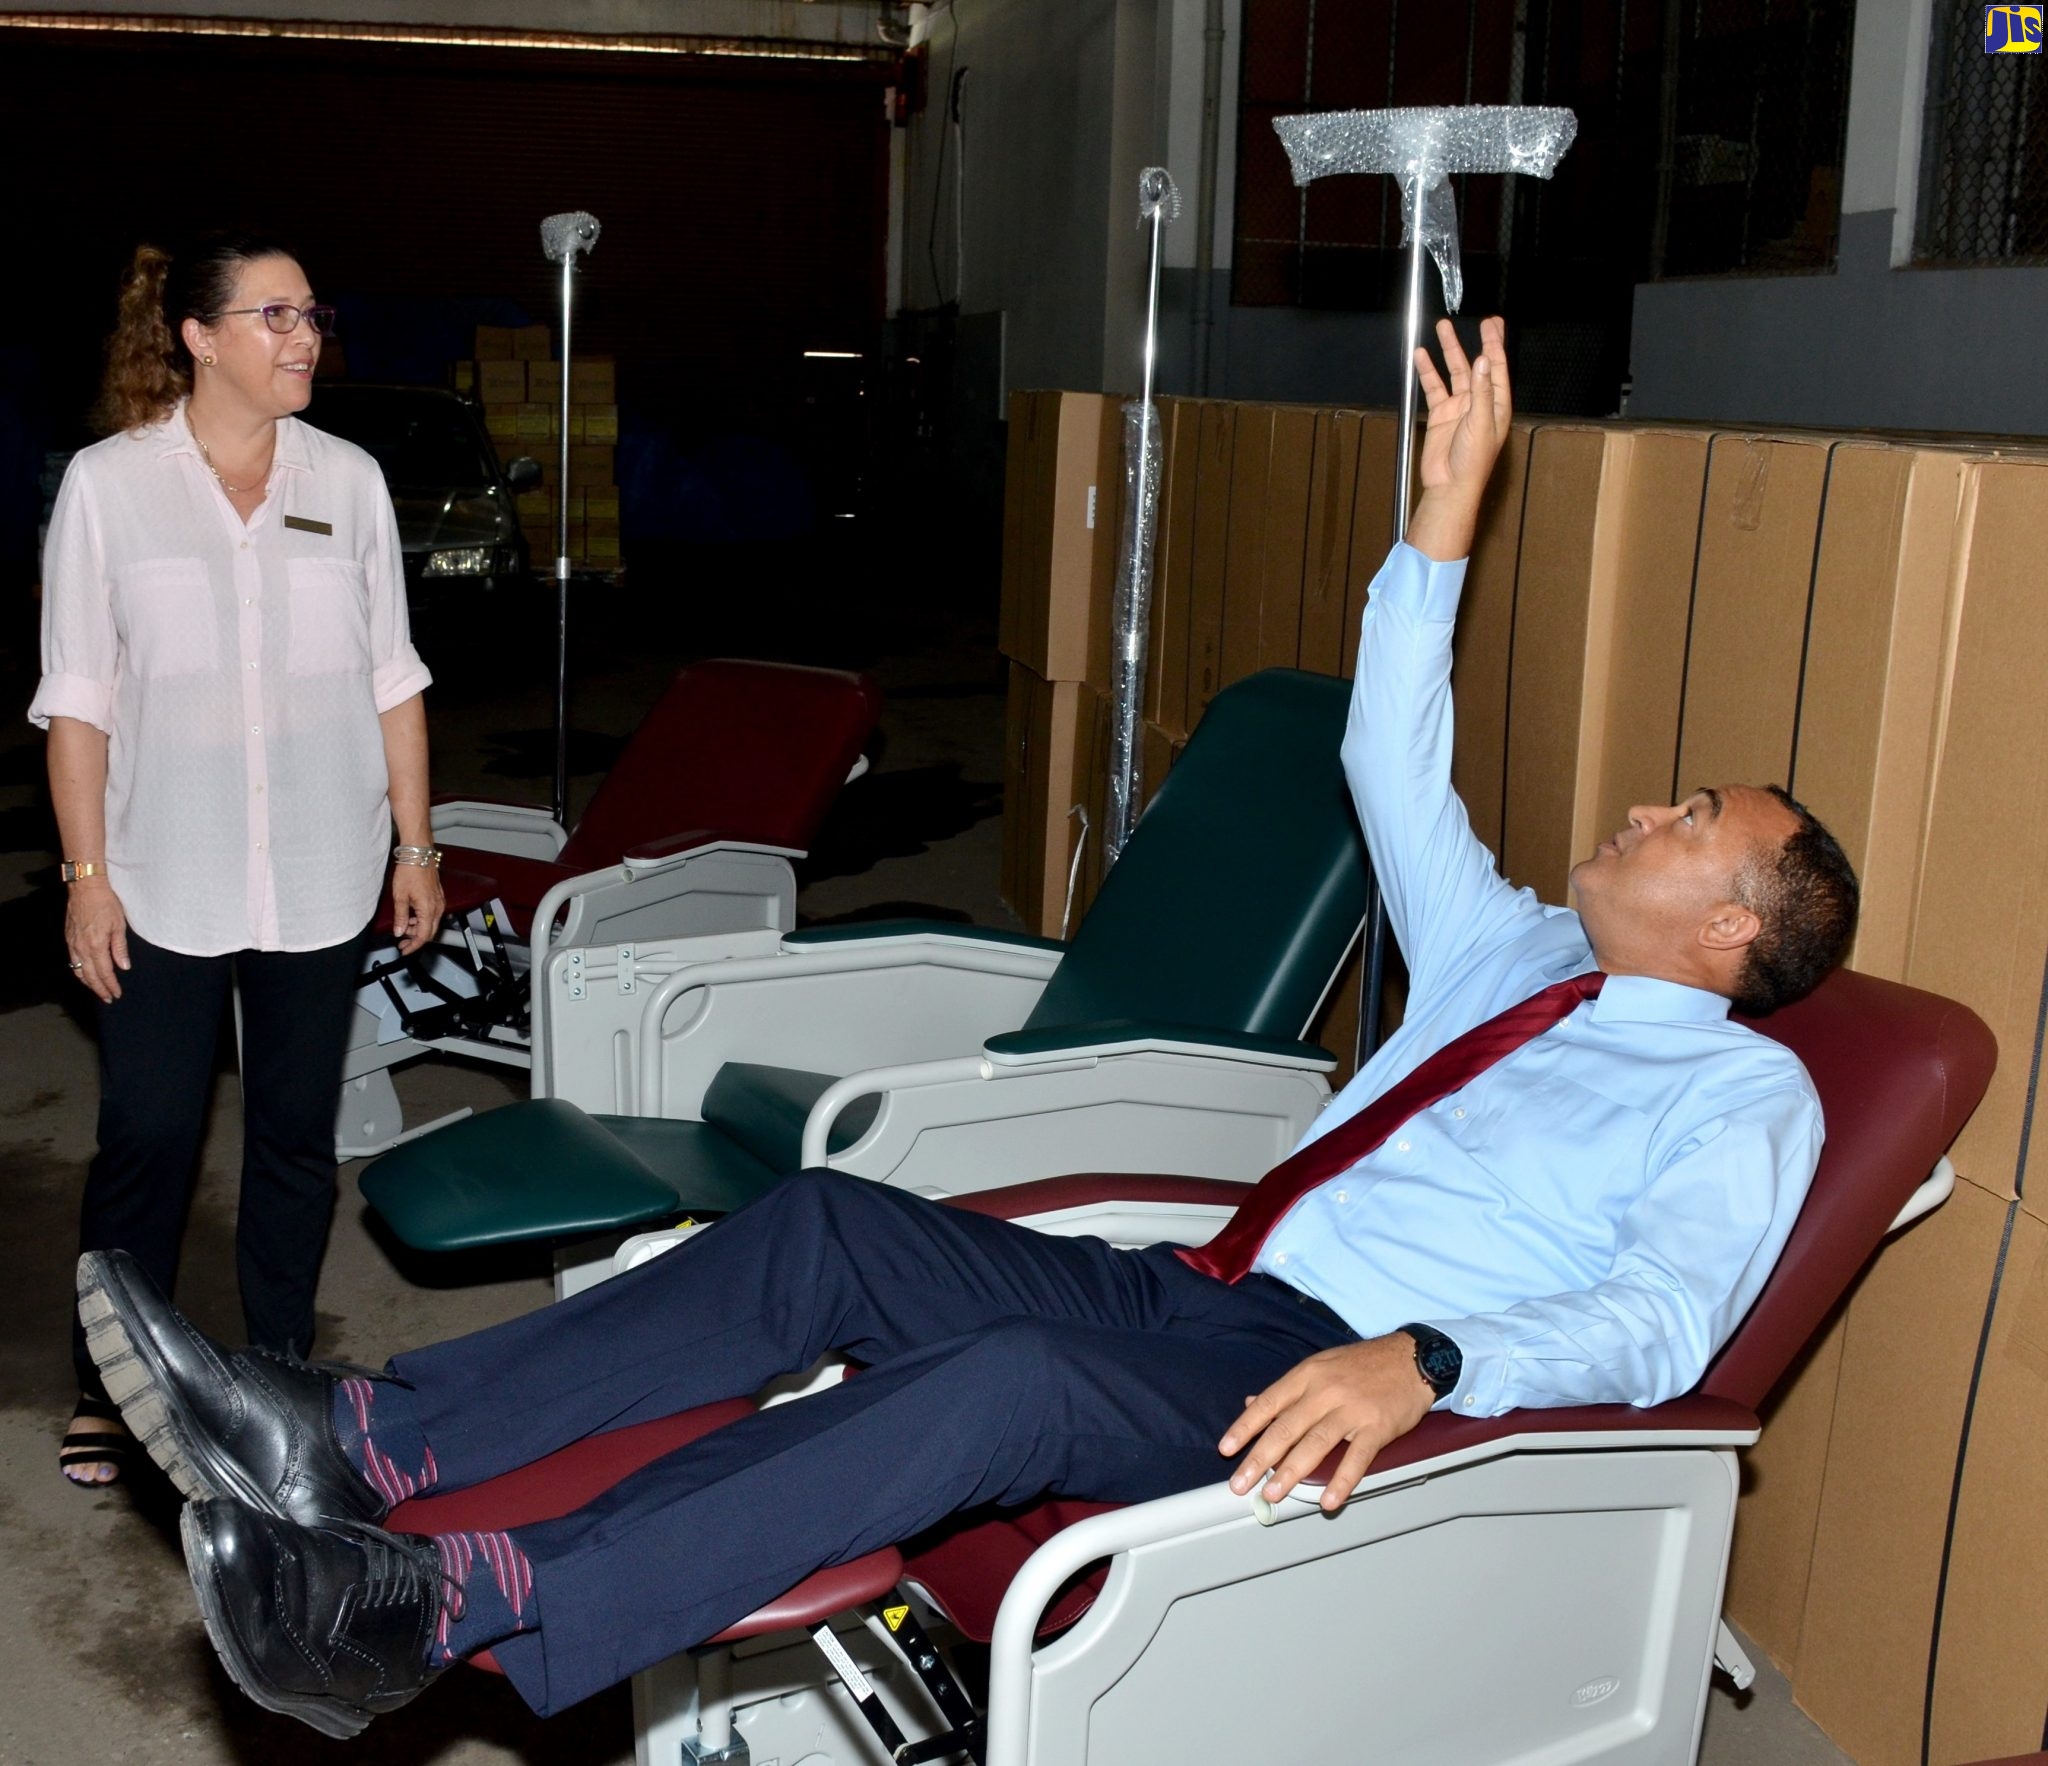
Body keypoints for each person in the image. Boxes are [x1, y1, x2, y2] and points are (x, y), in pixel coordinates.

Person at [79, 317, 1858, 1736]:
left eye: (1689, 817)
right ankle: (364, 1442)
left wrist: (1430, 1366)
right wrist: (1442, 516)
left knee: (998, 1384)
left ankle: (451, 1600)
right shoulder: (1510, 955)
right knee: (831, 1226)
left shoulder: (1740, 1098)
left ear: (1729, 924)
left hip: (1328, 1387)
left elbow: (1659, 1323)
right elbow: (1388, 751)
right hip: (1202, 1289)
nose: (1644, 809)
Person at [36, 232, 443, 1487]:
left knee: (291, 1138)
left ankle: (275, 1363)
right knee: (148, 1134)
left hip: (324, 864)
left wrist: (416, 845)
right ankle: (113, 1384)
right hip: (163, 871)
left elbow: (394, 678)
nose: (303, 335)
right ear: (200, 337)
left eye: (311, 312)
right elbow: (79, 698)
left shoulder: (350, 479)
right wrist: (87, 874)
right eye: (273, 316)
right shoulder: (110, 486)